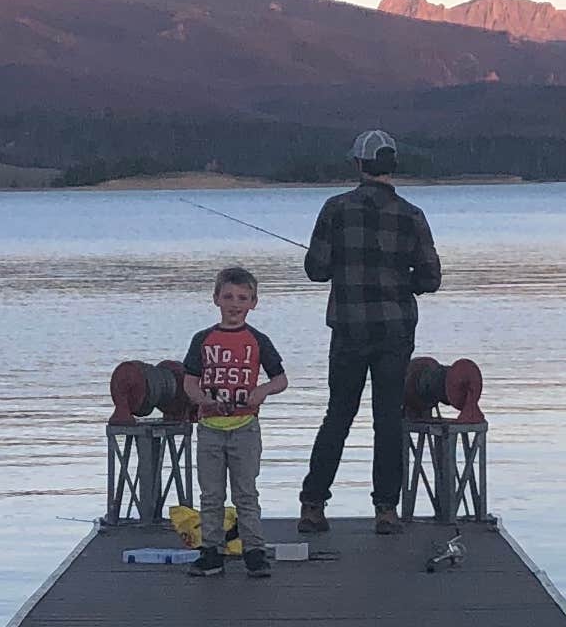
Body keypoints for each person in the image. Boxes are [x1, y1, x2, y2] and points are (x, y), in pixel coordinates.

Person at [297, 128, 441, 536]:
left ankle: (313, 506)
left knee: (338, 415)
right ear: (391, 166)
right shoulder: (412, 215)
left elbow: (315, 271)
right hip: (396, 331)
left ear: (359, 165)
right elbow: (431, 278)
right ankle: (385, 511)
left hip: (348, 330)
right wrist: (402, 282)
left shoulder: (335, 209)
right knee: (388, 420)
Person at [181, 264, 288, 578]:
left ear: (253, 303)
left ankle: (254, 550)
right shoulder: (203, 339)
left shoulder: (258, 340)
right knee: (211, 494)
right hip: (210, 428)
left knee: (246, 492)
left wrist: (262, 391)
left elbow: (280, 379)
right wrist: (202, 400)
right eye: (228, 296)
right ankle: (211, 550)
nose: (235, 304)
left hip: (245, 428)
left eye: (243, 298)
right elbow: (189, 381)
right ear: (216, 299)